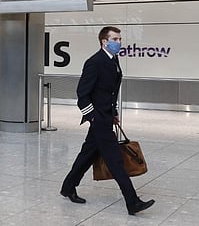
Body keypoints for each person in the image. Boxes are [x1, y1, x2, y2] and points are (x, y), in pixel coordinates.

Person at [60, 26, 155, 215]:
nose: (119, 42)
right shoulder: (95, 62)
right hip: (99, 120)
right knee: (115, 161)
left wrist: (114, 112)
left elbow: (110, 92)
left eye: (119, 39)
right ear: (105, 41)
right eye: (116, 39)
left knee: (87, 155)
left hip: (106, 116)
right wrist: (93, 116)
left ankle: (68, 187)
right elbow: (82, 94)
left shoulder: (113, 60)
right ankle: (132, 201)